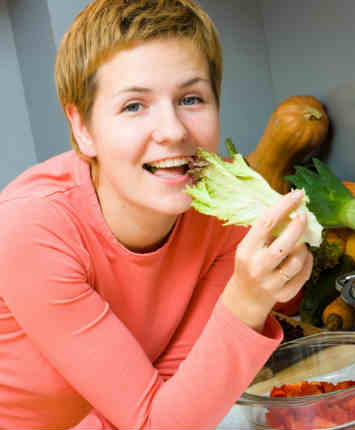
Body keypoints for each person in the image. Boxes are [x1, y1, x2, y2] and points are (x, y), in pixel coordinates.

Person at [0, 0, 314, 428]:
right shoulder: (30, 229)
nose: (173, 131)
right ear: (82, 128)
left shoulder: (221, 218)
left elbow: (175, 401)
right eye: (134, 106)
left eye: (191, 98)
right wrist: (246, 301)